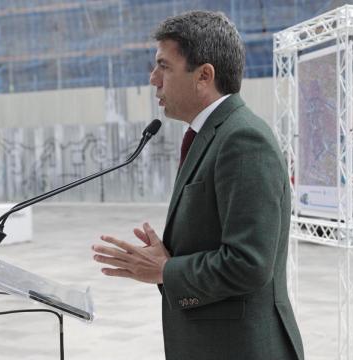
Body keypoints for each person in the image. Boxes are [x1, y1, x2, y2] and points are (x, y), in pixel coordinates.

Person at [92, 11, 304, 360]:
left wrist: (164, 270)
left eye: (164, 66)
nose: (153, 79)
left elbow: (249, 263)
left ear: (204, 76)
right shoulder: (211, 135)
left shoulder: (244, 139)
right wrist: (167, 256)